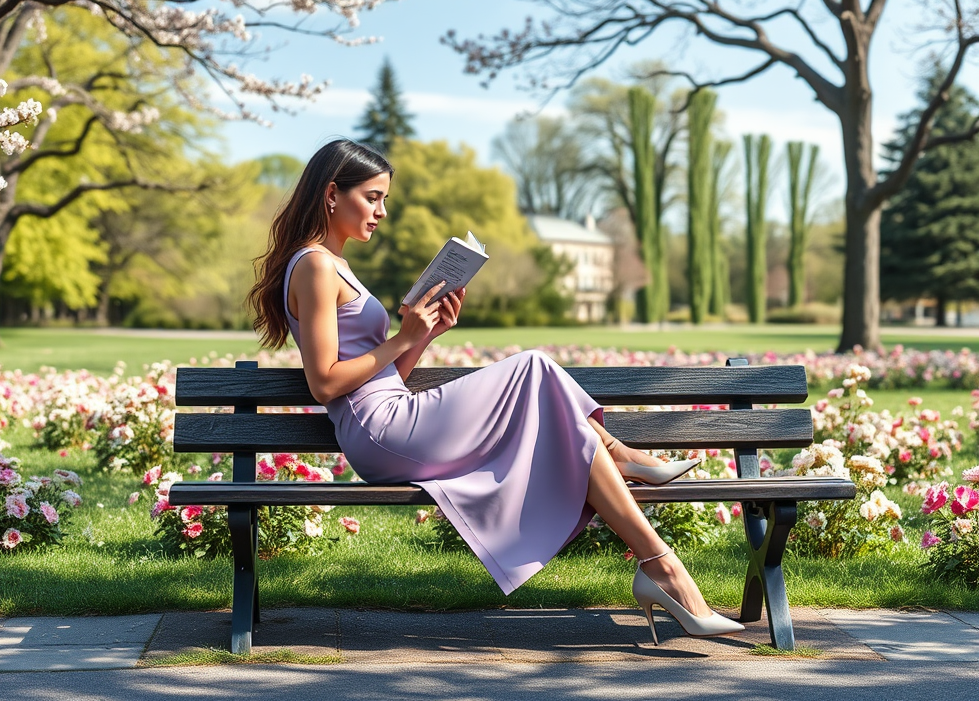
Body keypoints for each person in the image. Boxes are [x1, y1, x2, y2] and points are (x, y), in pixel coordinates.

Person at [247, 138, 743, 643]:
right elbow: (325, 381)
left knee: (572, 430)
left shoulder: (336, 263)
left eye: (385, 200)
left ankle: (662, 567)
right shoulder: (313, 265)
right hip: (379, 431)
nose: (382, 212)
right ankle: (631, 475)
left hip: (391, 416)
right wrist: (404, 336)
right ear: (333, 194)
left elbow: (382, 376)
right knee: (534, 367)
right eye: (373, 197)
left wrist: (427, 334)